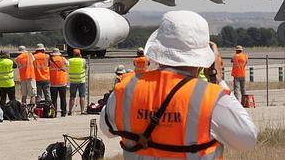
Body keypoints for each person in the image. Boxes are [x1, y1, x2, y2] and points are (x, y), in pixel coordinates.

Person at [101, 10, 257, 159]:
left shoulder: (126, 89)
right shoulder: (210, 98)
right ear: (206, 56)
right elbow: (247, 140)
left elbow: (106, 129)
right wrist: (217, 79)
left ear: (158, 47)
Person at [49, 48, 68, 117]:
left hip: (53, 82)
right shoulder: (63, 59)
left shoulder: (50, 60)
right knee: (63, 98)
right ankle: (63, 112)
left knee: (54, 99)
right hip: (62, 82)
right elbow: (68, 64)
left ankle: (54, 112)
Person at [68, 48, 86, 115]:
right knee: (82, 96)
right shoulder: (83, 60)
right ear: (80, 54)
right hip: (81, 80)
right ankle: (82, 111)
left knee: (72, 97)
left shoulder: (70, 60)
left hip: (73, 81)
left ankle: (70, 111)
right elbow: (85, 67)